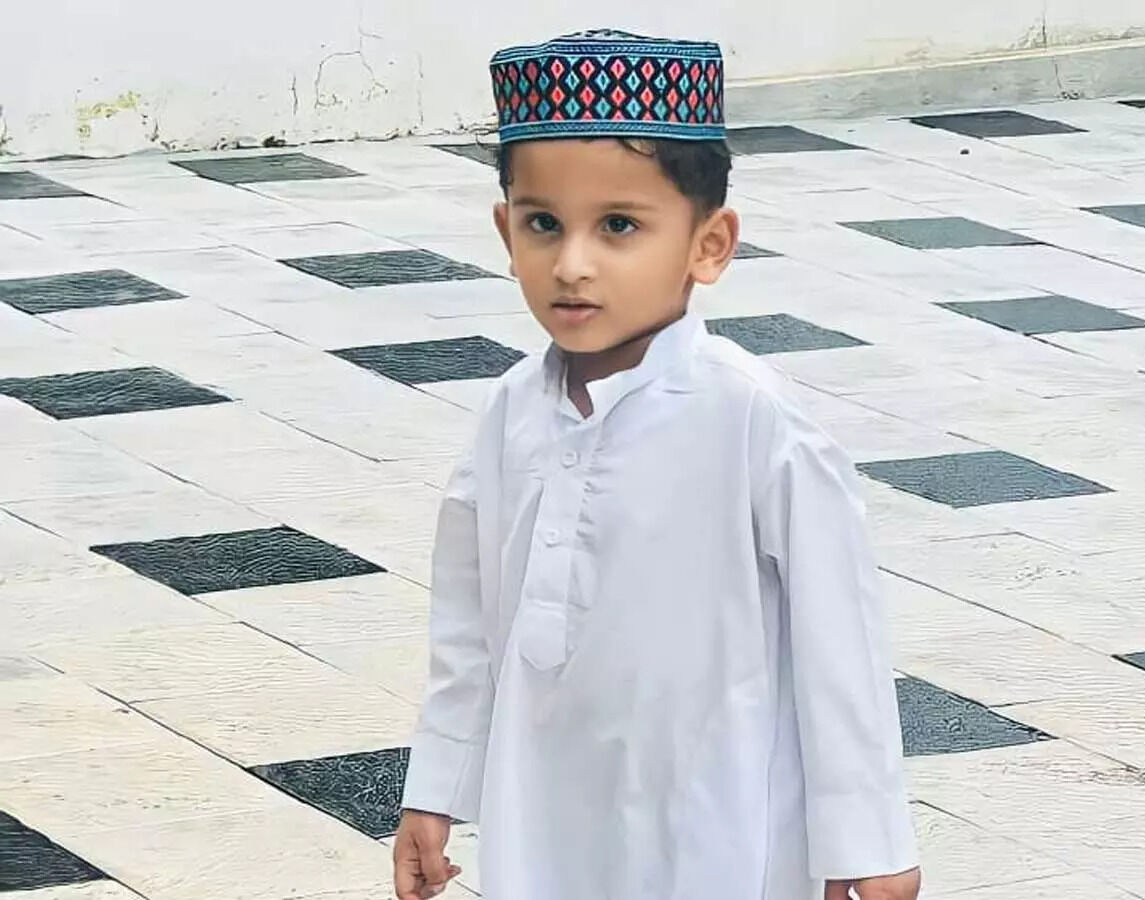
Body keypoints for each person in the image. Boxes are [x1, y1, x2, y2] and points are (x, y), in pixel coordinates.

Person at [391, 29, 920, 900]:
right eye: (543, 224)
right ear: (505, 231)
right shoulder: (510, 412)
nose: (572, 265)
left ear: (709, 245)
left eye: (619, 226)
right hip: (545, 814)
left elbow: (841, 640)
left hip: (717, 823)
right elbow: (466, 625)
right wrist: (437, 786)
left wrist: (869, 843)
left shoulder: (752, 419)